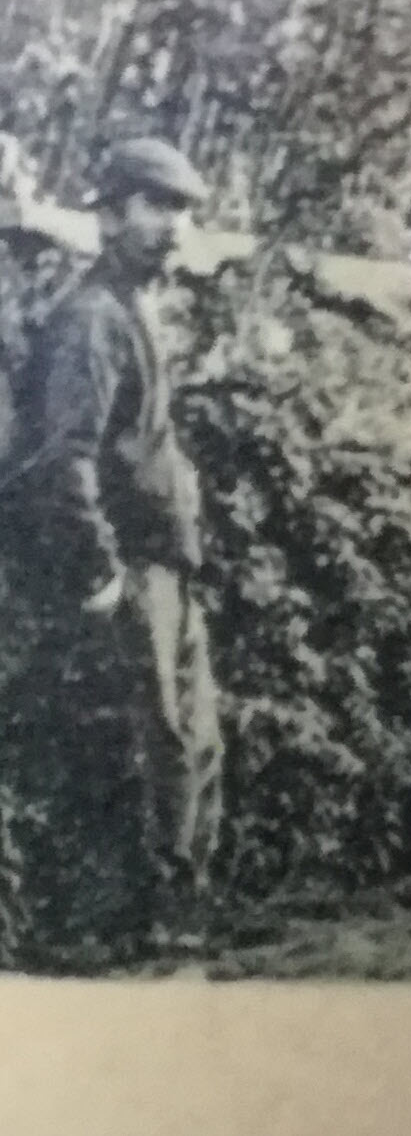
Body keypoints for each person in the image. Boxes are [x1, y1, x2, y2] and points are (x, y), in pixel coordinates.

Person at [0, 139, 225, 958]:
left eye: (182, 211)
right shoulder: (89, 319)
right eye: (156, 208)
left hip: (169, 559)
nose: (173, 227)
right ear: (111, 214)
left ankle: (184, 911)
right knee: (155, 738)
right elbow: (63, 458)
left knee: (195, 738)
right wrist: (98, 568)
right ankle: (153, 921)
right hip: (130, 564)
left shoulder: (136, 306)